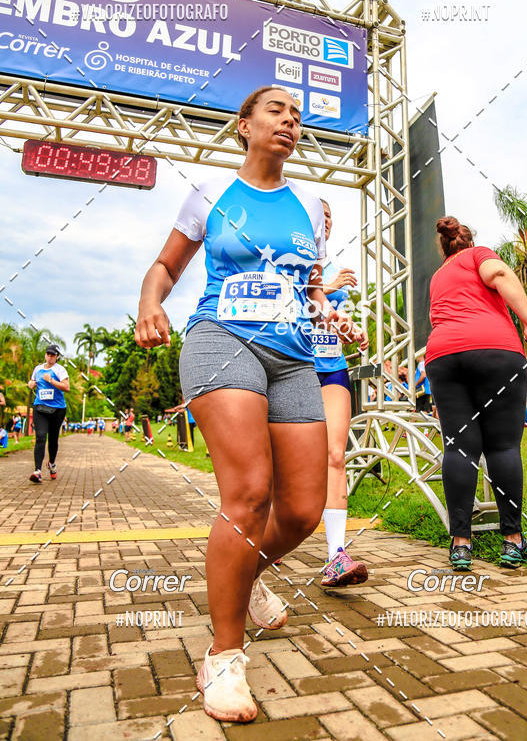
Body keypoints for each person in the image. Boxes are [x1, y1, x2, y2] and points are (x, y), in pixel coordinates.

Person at [135, 87, 359, 723]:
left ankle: (245, 576)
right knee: (250, 493)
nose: (290, 120)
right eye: (275, 111)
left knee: (304, 508)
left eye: (296, 114)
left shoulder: (312, 205)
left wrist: (332, 318)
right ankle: (224, 658)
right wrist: (151, 303)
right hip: (222, 341)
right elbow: (165, 267)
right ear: (244, 125)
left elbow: (309, 288)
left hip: (293, 357)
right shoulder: (210, 194)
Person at [425, 217, 527, 570]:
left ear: (445, 246)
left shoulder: (438, 276)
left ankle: (461, 544)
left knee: (459, 449)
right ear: (469, 241)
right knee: (503, 446)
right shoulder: (479, 255)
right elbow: (501, 276)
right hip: (495, 349)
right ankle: (512, 541)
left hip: (444, 356)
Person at [314, 199, 369, 587]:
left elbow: (334, 322)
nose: (326, 222)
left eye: (331, 216)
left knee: (336, 454)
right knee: (282, 461)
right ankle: (271, 539)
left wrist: (352, 332)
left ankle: (336, 555)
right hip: (290, 366)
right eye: (320, 215)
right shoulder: (285, 260)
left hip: (331, 366)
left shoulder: (337, 270)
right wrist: (325, 289)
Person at [27, 344, 70, 483]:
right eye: (48, 354)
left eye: (53, 355)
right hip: (40, 407)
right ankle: (37, 471)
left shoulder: (60, 370)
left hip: (57, 409)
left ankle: (51, 463)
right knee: (40, 437)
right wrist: (30, 384)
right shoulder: (38, 368)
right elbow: (32, 381)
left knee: (53, 439)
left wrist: (51, 380)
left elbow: (66, 387)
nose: (50, 357)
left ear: (57, 357)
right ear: (45, 355)